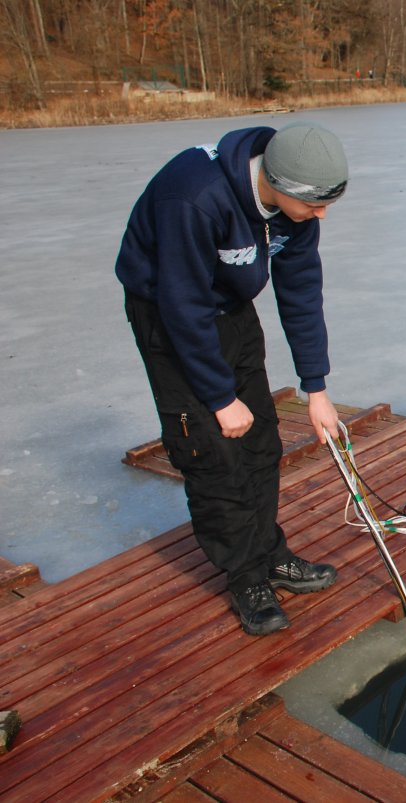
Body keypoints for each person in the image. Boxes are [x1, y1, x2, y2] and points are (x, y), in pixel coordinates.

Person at [116, 122, 350, 636]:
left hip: (229, 307)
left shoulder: (297, 207)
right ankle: (245, 577)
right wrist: (220, 398)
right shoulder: (194, 196)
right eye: (316, 204)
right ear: (279, 185)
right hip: (167, 314)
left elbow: (302, 292)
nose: (323, 215)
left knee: (261, 442)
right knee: (211, 453)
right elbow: (182, 304)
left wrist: (317, 388)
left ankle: (268, 553)